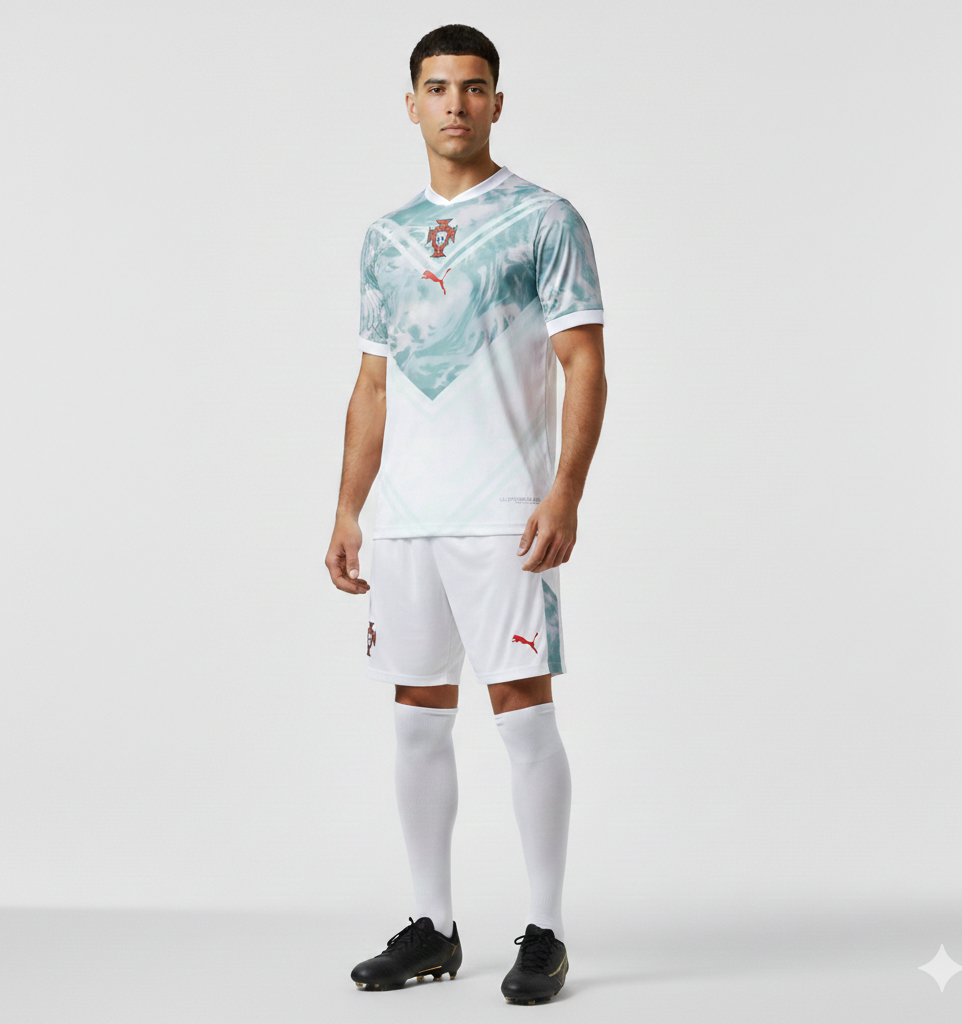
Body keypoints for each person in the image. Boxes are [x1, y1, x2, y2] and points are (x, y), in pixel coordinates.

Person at [324, 23, 607, 1006]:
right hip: (407, 518)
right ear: (411, 104)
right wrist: (349, 508)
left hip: (503, 512)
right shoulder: (386, 237)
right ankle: (432, 925)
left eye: (474, 86)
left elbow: (583, 364)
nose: (456, 103)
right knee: (416, 723)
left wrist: (565, 490)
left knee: (524, 717)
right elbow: (372, 383)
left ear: (496, 102)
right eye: (438, 87)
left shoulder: (543, 219)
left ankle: (547, 931)